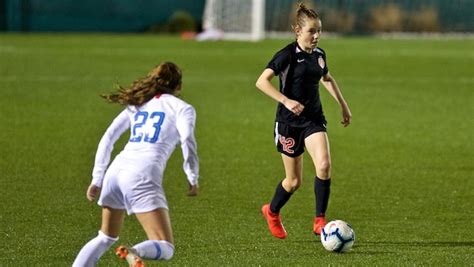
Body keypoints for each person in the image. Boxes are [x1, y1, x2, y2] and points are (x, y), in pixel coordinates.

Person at [72, 62, 199, 266]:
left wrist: (97, 178)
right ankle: (131, 252)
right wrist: (192, 177)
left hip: (115, 170)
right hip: (142, 174)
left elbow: (108, 137)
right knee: (165, 246)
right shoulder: (183, 108)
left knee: (105, 237)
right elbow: (187, 140)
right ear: (179, 86)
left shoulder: (138, 104)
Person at [256, 3, 352, 239]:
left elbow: (327, 78)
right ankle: (272, 211)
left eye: (319, 30)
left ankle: (320, 220)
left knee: (324, 166)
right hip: (288, 123)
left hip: (313, 120)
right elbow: (261, 82)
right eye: (311, 31)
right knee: (294, 181)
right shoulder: (286, 55)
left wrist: (343, 105)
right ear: (297, 31)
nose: (316, 36)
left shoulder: (319, 55)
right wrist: (286, 100)